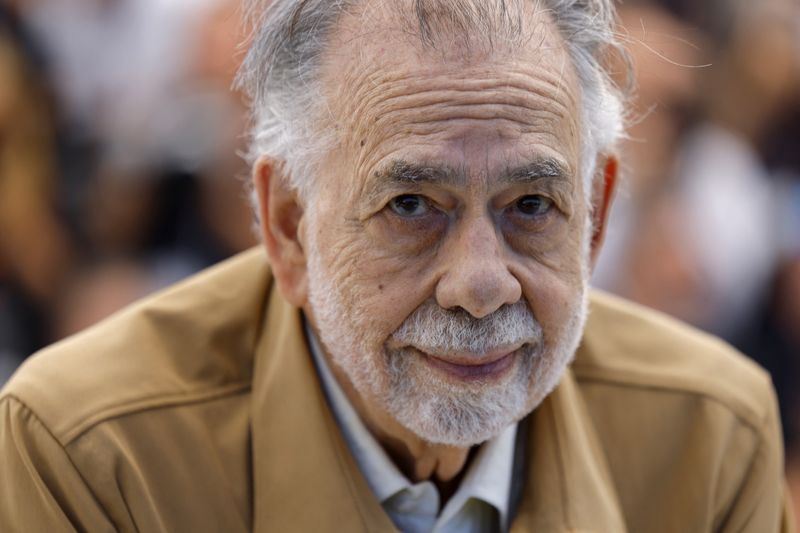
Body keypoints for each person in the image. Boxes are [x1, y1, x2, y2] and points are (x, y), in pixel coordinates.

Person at [0, 0, 793, 531]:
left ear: (596, 218)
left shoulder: (711, 438)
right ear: (288, 227)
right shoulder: (94, 455)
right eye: (411, 205)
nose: (481, 285)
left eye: (531, 206)